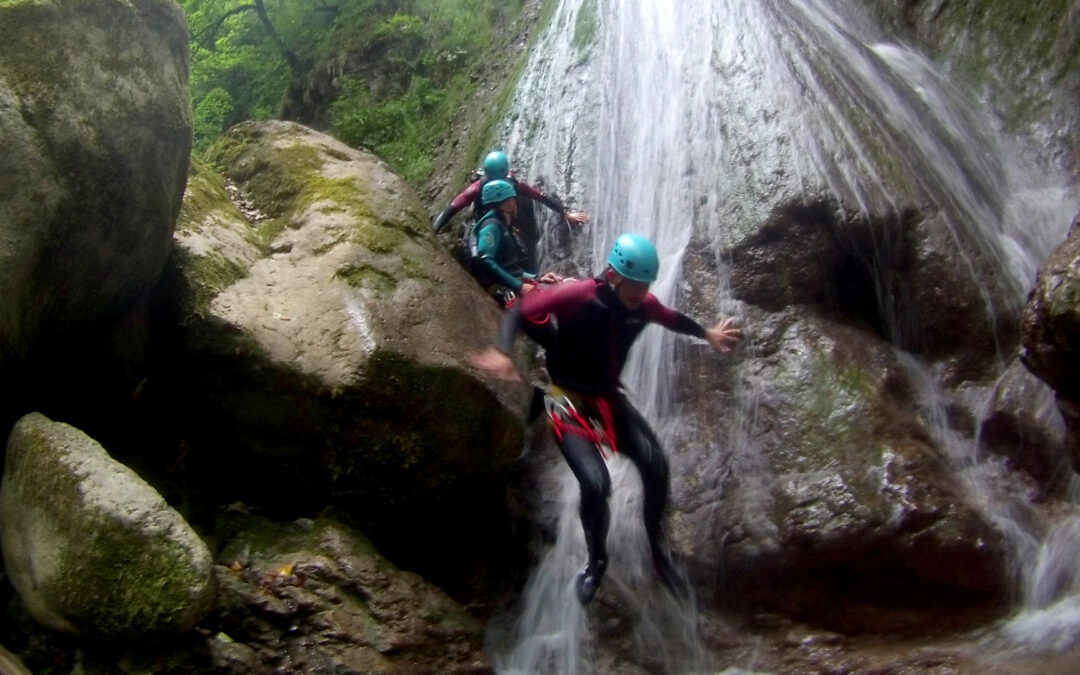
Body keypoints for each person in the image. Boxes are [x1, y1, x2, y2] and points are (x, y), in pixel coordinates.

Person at [469, 233, 742, 605]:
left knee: (656, 464)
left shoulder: (644, 306)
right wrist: (503, 353)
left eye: (647, 284)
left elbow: (673, 319)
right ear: (614, 275)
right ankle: (596, 562)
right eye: (636, 284)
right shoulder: (578, 295)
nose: (642, 292)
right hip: (565, 400)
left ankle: (658, 552)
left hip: (608, 399)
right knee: (596, 483)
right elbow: (520, 310)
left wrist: (707, 334)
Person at [430, 150, 589, 241]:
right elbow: (542, 197)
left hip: (504, 224)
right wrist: (433, 231)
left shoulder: (483, 187)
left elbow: (453, 207)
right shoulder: (484, 187)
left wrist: (565, 212)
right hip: (485, 226)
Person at [470, 178, 564, 307]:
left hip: (513, 283)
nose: (516, 203)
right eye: (513, 199)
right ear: (506, 203)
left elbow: (512, 269)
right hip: (504, 289)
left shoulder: (503, 225)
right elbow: (485, 260)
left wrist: (539, 278)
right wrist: (519, 287)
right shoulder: (492, 226)